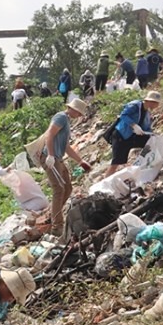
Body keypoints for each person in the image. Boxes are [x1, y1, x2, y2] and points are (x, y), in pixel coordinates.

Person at [37, 98, 92, 235]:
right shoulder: (61, 117)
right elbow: (50, 134)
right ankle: (57, 226)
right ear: (72, 109)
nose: (78, 116)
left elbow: (66, 147)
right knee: (59, 189)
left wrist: (81, 161)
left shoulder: (66, 121)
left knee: (68, 187)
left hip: (58, 158)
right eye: (78, 113)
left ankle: (53, 216)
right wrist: (50, 155)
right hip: (51, 158)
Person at [104, 90, 163, 177]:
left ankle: (144, 162)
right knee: (116, 162)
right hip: (121, 135)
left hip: (132, 137)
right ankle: (105, 182)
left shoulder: (147, 114)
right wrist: (133, 125)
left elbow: (146, 128)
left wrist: (152, 134)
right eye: (155, 103)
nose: (157, 105)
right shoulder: (135, 105)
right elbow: (123, 115)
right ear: (150, 101)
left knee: (150, 141)